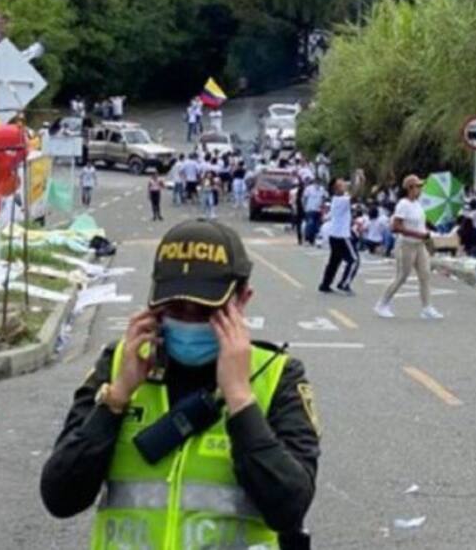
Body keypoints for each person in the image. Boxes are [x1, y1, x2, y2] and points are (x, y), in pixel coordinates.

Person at [40, 219, 319, 549]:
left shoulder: (277, 377)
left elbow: (288, 508)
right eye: (174, 307)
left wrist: (241, 399)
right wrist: (115, 400)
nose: (187, 319)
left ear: (243, 299)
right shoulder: (119, 365)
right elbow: (60, 498)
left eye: (205, 311)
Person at [374, 175, 442, 319]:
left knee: (425, 275)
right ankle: (382, 304)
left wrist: (429, 229)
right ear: (410, 188)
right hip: (406, 244)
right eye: (418, 186)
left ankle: (426, 307)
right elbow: (396, 227)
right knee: (402, 276)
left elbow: (420, 222)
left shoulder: (417, 204)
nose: (420, 189)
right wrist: (418, 234)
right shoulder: (403, 204)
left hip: (419, 244)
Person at [318, 178, 359, 295]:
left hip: (334, 235)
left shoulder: (336, 199)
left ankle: (325, 284)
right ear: (335, 189)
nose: (344, 186)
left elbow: (352, 194)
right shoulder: (341, 200)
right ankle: (344, 284)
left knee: (334, 261)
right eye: (341, 185)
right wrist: (360, 180)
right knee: (354, 260)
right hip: (342, 236)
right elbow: (355, 196)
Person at [301, 178, 325, 247]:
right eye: (317, 183)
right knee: (310, 224)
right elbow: (304, 198)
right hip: (310, 209)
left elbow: (323, 198)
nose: (318, 185)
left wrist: (322, 208)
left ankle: (313, 240)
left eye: (319, 183)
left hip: (318, 210)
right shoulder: (309, 189)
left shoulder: (322, 189)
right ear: (314, 182)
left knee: (317, 226)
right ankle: (307, 239)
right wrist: (304, 208)